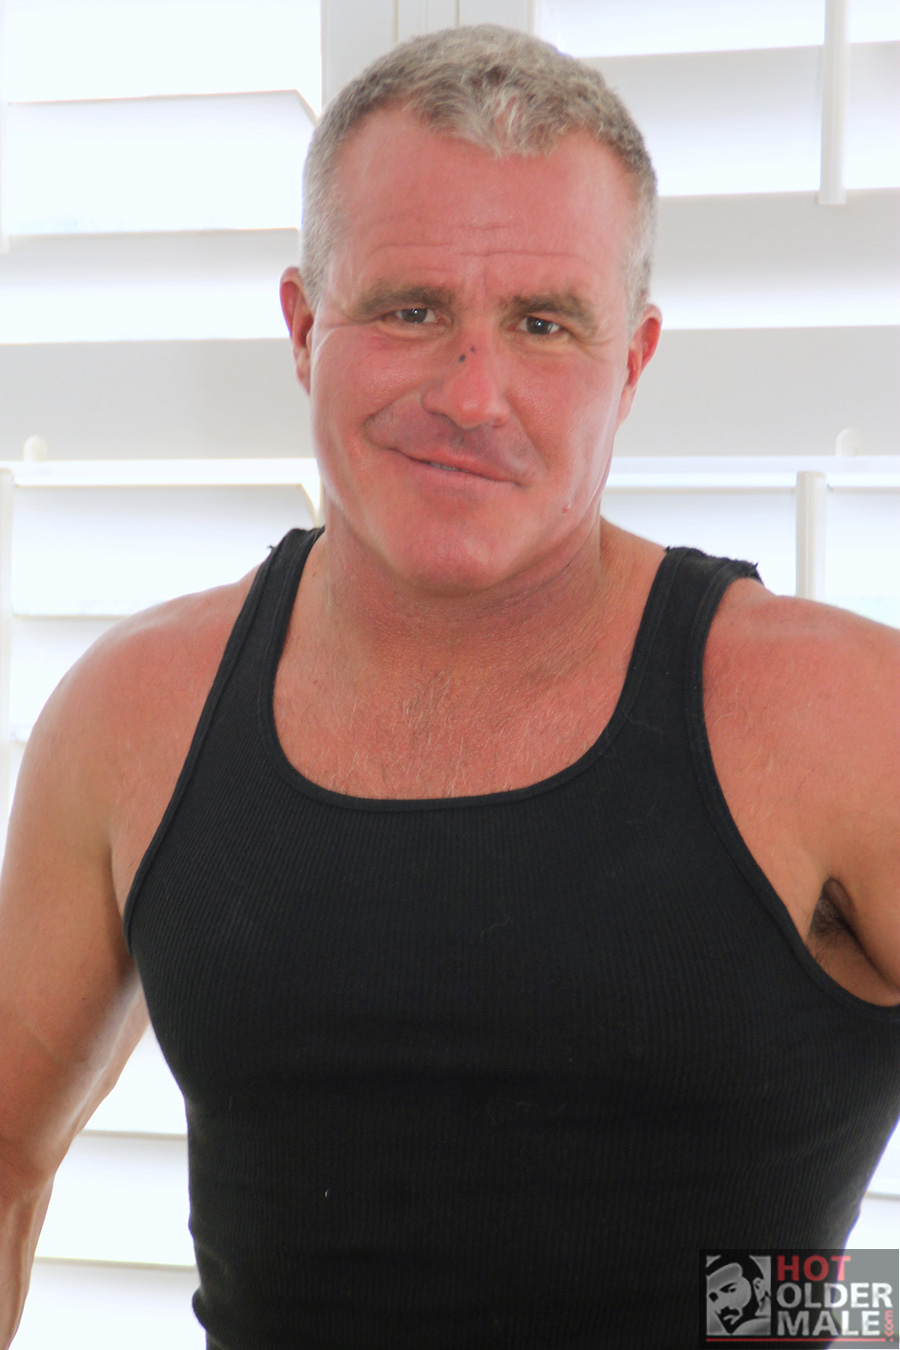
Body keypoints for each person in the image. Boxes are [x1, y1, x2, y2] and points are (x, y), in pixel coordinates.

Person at [2, 23, 899, 1350]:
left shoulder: (845, 717)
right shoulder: (134, 712)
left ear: (632, 362)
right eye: (411, 309)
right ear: (304, 328)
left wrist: (796, 1306)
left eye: (543, 323)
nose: (473, 395)